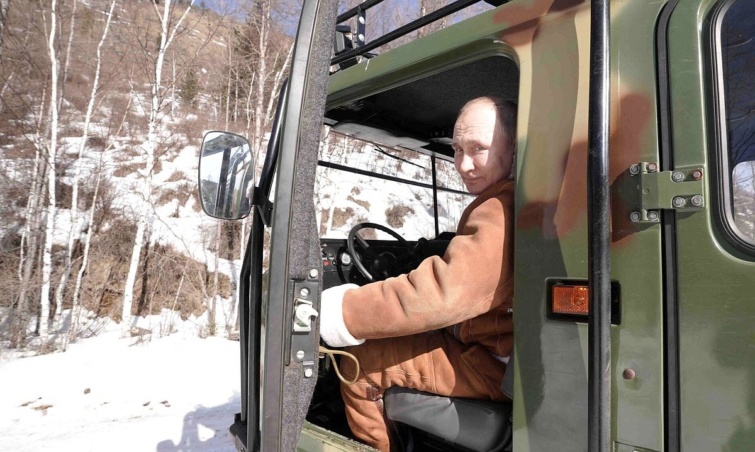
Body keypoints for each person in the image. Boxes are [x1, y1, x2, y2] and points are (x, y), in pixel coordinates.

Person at [319, 96, 517, 451]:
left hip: (493, 364)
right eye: (457, 150)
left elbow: (444, 294)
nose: (464, 164)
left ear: (514, 148)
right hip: (499, 353)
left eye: (479, 148)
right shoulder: (513, 199)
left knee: (358, 363)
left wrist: (342, 312)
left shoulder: (500, 206)